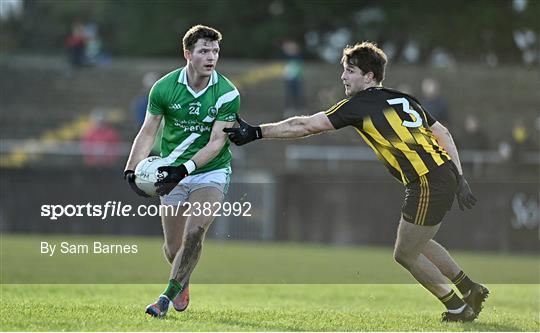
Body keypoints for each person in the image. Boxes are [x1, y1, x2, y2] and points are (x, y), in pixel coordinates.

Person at [224, 42, 487, 323]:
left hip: (426, 181)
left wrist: (256, 132)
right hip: (441, 174)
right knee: (420, 242)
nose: (343, 77)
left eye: (350, 71)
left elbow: (307, 125)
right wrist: (459, 177)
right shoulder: (404, 98)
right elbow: (443, 133)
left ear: (370, 77)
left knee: (405, 254)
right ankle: (470, 289)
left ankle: (458, 308)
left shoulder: (361, 104)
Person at [123, 25, 239, 318]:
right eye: (204, 51)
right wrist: (131, 169)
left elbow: (216, 143)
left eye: (215, 51)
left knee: (195, 232)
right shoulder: (164, 87)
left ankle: (164, 298)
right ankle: (182, 282)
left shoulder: (227, 93)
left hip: (209, 172)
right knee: (173, 247)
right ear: (188, 54)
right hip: (169, 170)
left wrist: (184, 170)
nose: (211, 56)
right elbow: (148, 131)